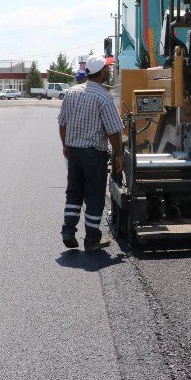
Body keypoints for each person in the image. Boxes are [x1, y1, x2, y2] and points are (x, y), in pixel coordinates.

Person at [57, 55, 124, 251]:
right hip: (94, 155)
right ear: (101, 72)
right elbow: (113, 131)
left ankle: (68, 231)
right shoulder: (103, 96)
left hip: (75, 153)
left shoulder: (72, 93)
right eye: (107, 68)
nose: (109, 71)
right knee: (94, 195)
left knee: (74, 192)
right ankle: (92, 239)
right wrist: (119, 154)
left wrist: (65, 146)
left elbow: (62, 124)